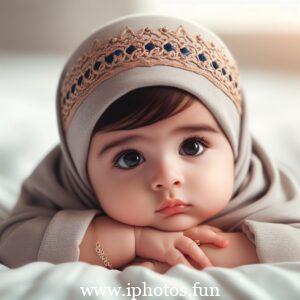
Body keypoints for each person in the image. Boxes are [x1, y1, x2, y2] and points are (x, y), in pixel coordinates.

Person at [1, 14, 300, 273]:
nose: (167, 177)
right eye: (130, 157)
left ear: (235, 142)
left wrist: (197, 251)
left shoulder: (262, 188)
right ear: (81, 165)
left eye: (192, 146)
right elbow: (15, 246)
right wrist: (132, 241)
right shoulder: (63, 186)